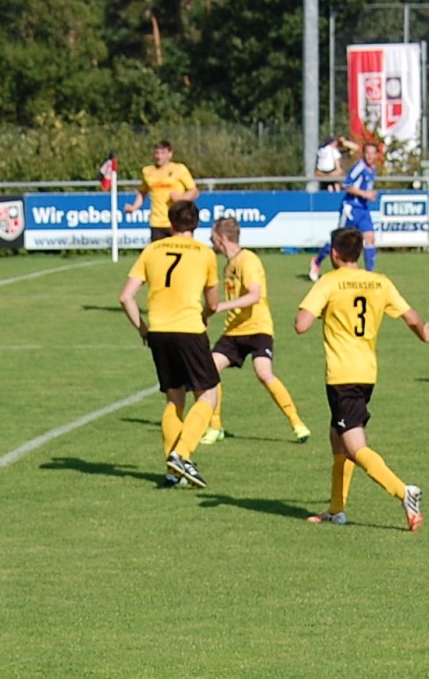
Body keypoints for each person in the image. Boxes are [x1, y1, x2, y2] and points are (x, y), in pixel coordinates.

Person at [296, 227, 429, 531]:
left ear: (334, 254)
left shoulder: (329, 282)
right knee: (337, 437)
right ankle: (336, 510)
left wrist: (323, 311)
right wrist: (425, 333)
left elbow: (301, 325)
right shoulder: (379, 282)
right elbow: (411, 317)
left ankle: (404, 492)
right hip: (367, 372)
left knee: (354, 445)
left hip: (342, 375)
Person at [117, 200, 219, 489]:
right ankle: (181, 454)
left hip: (159, 332)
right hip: (189, 329)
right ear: (196, 224)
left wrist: (143, 329)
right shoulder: (205, 253)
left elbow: (125, 297)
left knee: (174, 398)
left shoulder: (152, 250)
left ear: (170, 223)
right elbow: (213, 303)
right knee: (208, 395)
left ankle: (173, 473)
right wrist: (205, 315)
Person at [198, 217, 311, 446]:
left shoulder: (247, 260)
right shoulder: (228, 264)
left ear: (221, 238)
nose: (211, 242)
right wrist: (205, 316)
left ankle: (296, 422)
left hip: (258, 327)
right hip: (234, 330)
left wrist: (221, 307)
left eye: (212, 237)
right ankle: (215, 426)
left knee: (263, 373)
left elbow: (254, 295)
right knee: (210, 370)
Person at [309, 142, 379, 279]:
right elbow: (347, 185)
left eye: (372, 153)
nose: (370, 156)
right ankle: (317, 261)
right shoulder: (359, 167)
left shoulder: (373, 169)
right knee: (339, 240)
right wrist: (365, 194)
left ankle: (369, 275)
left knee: (370, 238)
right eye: (367, 153)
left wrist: (370, 195)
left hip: (363, 209)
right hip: (351, 208)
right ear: (363, 154)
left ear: (376, 155)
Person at [123, 140, 199, 242]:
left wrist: (181, 199)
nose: (159, 156)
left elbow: (194, 191)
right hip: (157, 222)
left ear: (170, 154)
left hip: (176, 221)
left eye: (163, 153)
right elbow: (143, 192)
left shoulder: (179, 169)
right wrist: (134, 207)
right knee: (158, 251)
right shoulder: (147, 171)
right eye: (157, 153)